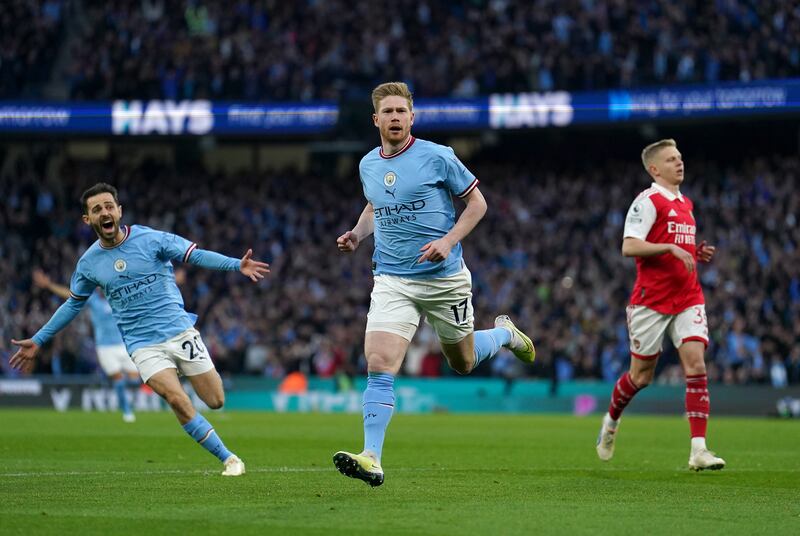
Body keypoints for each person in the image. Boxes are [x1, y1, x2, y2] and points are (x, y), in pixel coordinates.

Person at [333, 82, 536, 487]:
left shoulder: (439, 156)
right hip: (392, 278)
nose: (394, 118)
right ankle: (371, 455)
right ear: (376, 119)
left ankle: (503, 334)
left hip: (444, 280)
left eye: (400, 111)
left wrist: (448, 241)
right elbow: (376, 204)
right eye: (387, 112)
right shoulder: (368, 165)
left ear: (412, 117)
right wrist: (358, 233)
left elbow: (478, 203)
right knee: (379, 362)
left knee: (461, 363)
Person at [10, 183, 269, 476]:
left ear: (119, 211)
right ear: (88, 220)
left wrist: (237, 265)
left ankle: (185, 374)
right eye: (97, 209)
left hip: (180, 331)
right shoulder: (88, 264)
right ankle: (230, 459)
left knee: (215, 400)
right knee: (177, 400)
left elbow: (194, 255)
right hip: (142, 345)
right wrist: (40, 339)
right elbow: (73, 304)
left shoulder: (151, 239)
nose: (104, 212)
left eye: (109, 206)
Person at [596, 139, 725, 471]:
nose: (679, 163)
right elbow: (629, 246)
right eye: (671, 159)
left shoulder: (686, 203)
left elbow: (677, 248)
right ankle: (611, 421)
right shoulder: (647, 201)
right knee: (641, 376)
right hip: (651, 302)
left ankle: (699, 449)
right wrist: (670, 248)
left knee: (695, 365)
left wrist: (694, 252)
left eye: (680, 157)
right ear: (655, 168)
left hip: (688, 297)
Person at [32, 268, 139, 422]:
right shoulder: (93, 300)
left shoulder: (119, 296)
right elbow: (70, 294)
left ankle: (120, 399)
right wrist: (49, 285)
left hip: (123, 345)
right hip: (104, 347)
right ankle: (127, 411)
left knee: (135, 381)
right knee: (118, 379)